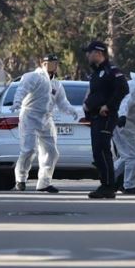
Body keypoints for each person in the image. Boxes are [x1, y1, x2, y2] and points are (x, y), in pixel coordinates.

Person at [11, 54, 79, 193]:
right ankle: (20, 179)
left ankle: (44, 182)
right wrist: (17, 101)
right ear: (43, 63)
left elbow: (62, 102)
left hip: (46, 118)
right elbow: (22, 89)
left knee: (51, 152)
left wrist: (71, 110)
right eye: (51, 62)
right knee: (29, 149)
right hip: (30, 116)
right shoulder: (33, 77)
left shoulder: (56, 84)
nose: (54, 65)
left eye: (56, 63)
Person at [82, 41, 129, 199]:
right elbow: (96, 93)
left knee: (102, 149)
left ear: (98, 53)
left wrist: (108, 106)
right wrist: (87, 105)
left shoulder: (111, 70)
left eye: (89, 53)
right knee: (97, 151)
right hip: (95, 117)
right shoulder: (96, 73)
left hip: (106, 117)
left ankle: (108, 186)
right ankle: (105, 184)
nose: (87, 56)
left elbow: (123, 88)